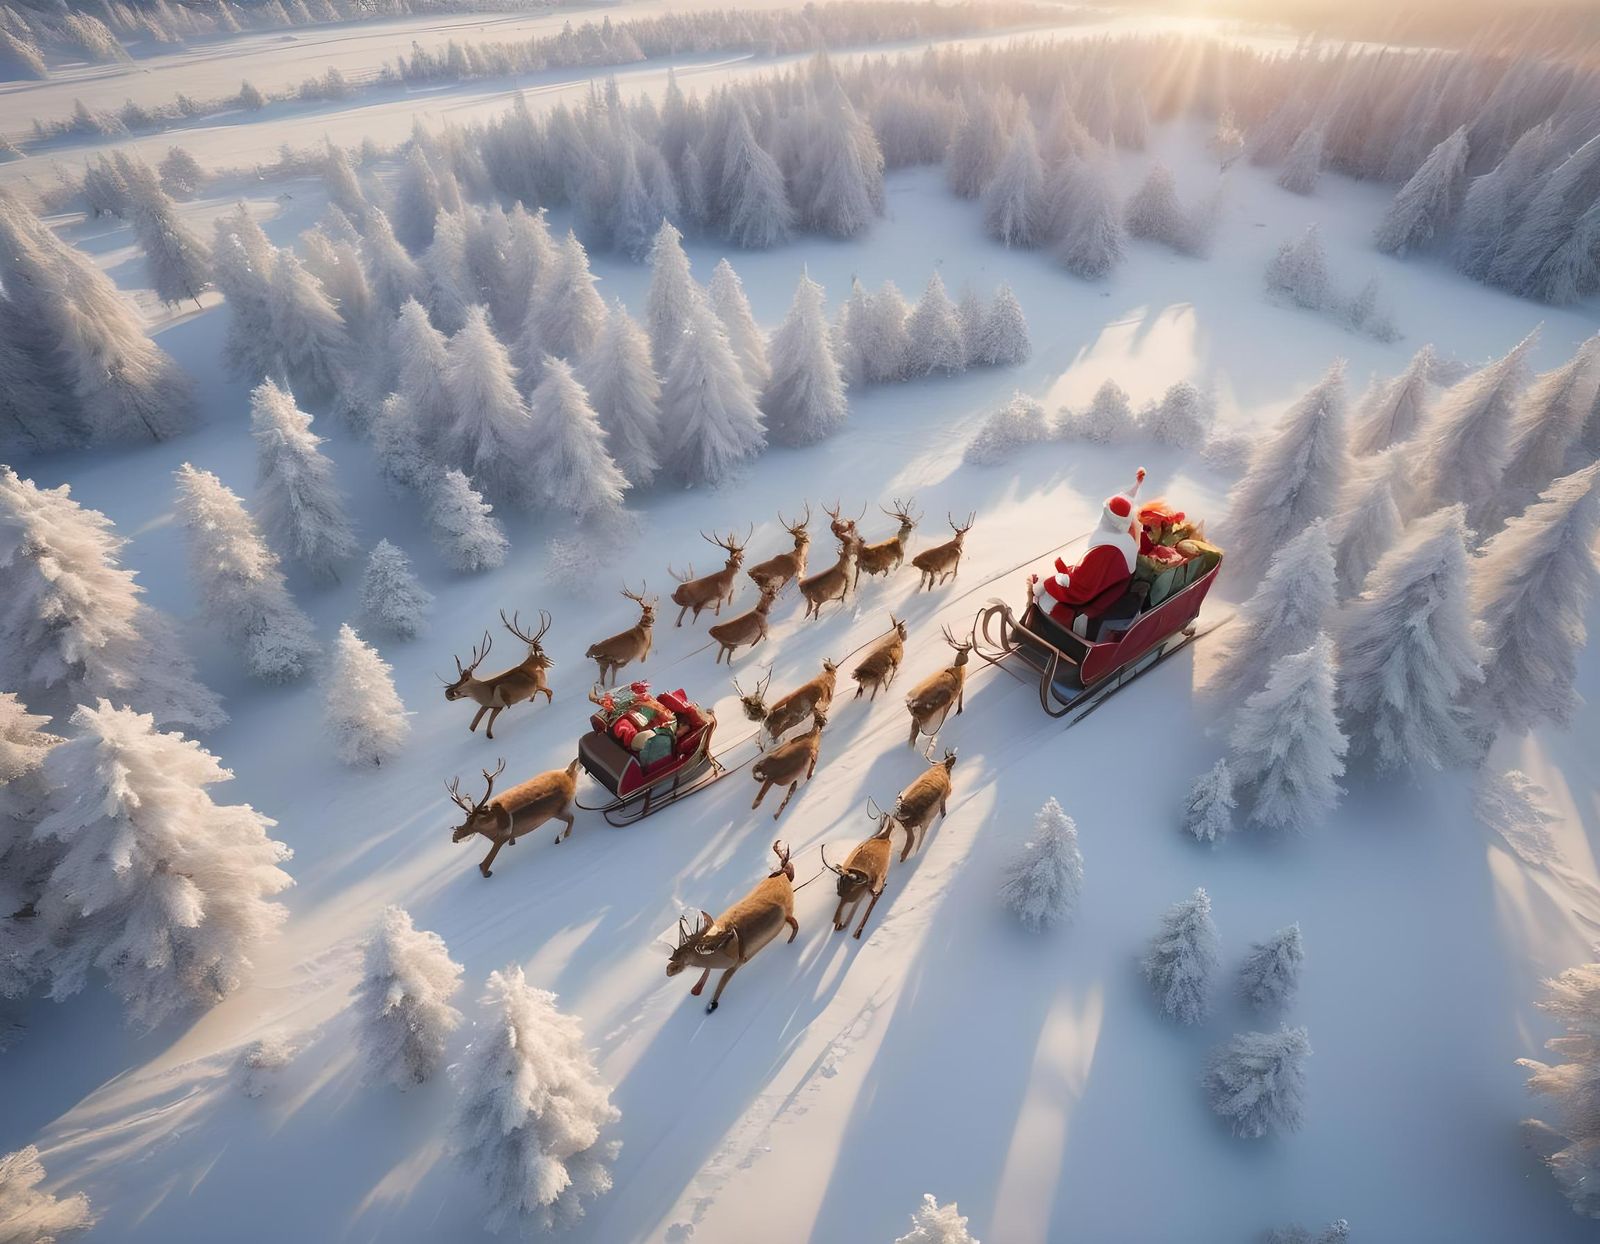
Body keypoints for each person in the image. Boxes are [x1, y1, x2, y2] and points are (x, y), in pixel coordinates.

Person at [1031, 468, 1145, 633]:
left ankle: (1036, 634)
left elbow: (1080, 588)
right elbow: (1124, 504)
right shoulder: (1127, 537)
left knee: (1044, 597)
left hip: (1097, 604)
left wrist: (1048, 583)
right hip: (1110, 592)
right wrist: (1136, 485)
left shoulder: (1107, 550)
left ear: (1107, 519)